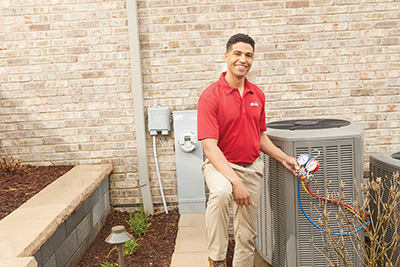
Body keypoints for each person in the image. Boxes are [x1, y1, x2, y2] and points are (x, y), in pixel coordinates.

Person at [197, 33, 299, 267]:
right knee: (221, 194)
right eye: (238, 54)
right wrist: (235, 181)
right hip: (220, 166)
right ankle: (217, 258)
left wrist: (285, 158)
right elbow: (210, 148)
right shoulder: (210, 96)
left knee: (247, 236)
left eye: (249, 55)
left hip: (252, 167)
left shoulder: (257, 94)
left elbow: (260, 136)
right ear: (227, 56)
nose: (243, 59)